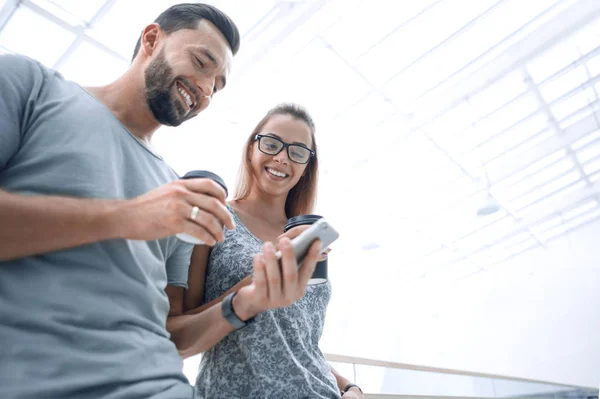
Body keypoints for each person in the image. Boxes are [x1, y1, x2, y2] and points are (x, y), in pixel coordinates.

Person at [0, 4, 321, 398]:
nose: (205, 90)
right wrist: (126, 217)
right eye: (202, 63)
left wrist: (247, 300)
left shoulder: (178, 196)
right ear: (152, 40)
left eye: (217, 86)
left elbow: (173, 338)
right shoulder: (31, 87)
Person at [166, 104, 364, 398]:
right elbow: (180, 335)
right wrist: (259, 281)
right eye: (271, 144)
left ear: (306, 167)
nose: (282, 157)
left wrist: (349, 386)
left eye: (297, 152)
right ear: (251, 148)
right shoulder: (217, 217)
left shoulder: (304, 238)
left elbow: (297, 340)